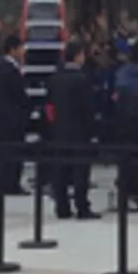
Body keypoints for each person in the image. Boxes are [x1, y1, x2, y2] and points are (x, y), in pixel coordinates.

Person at [46, 40, 99, 220]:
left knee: (60, 169)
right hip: (80, 131)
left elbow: (49, 105)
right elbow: (88, 108)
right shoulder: (82, 79)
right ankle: (82, 206)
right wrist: (92, 131)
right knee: (80, 171)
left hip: (59, 130)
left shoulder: (54, 78)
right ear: (78, 56)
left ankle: (62, 206)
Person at [0, 33, 32, 196]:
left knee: (8, 151)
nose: (23, 52)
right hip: (11, 118)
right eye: (21, 49)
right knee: (11, 152)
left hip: (5, 117)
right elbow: (17, 95)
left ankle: (7, 182)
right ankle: (10, 184)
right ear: (13, 50)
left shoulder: (1, 67)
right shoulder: (8, 70)